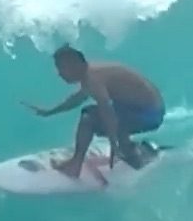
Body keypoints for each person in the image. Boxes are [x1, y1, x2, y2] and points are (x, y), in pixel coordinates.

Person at [22, 45, 166, 181]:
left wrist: (113, 143)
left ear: (75, 65)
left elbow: (107, 112)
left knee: (88, 118)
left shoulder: (93, 78)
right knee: (104, 114)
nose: (59, 74)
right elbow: (77, 99)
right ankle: (132, 151)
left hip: (148, 114)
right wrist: (49, 112)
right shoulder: (90, 73)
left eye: (62, 68)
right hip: (145, 110)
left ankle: (75, 165)